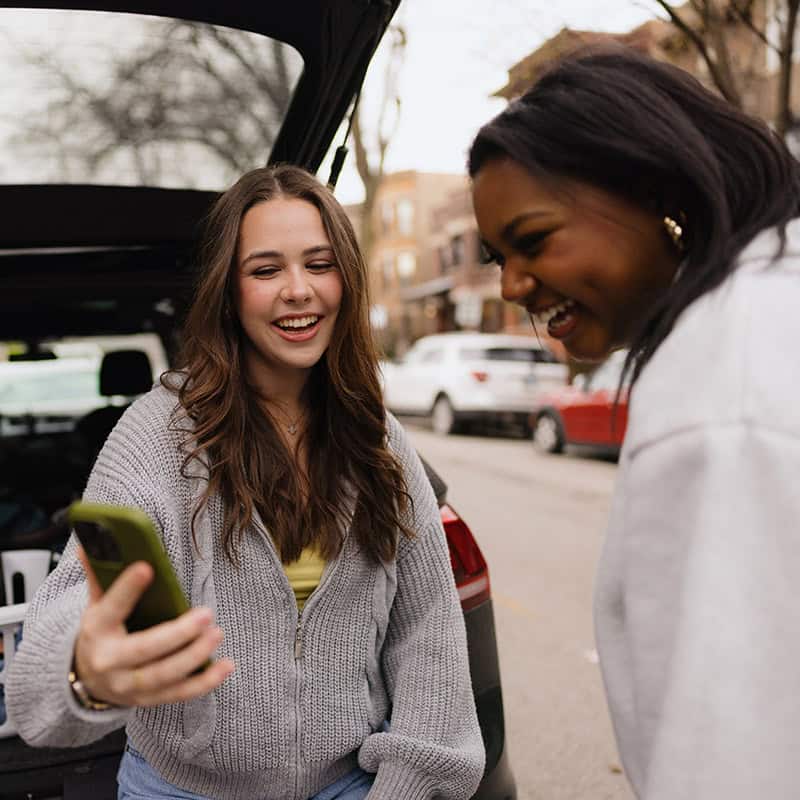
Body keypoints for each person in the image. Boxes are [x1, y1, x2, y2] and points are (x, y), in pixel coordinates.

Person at [7, 165, 485, 800]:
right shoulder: (157, 434)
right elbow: (70, 619)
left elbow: (428, 635)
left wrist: (404, 789)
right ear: (229, 292)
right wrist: (82, 670)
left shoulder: (379, 438)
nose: (298, 290)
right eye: (265, 270)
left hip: (350, 788)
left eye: (319, 263)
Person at [468, 46, 800, 799]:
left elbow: (734, 758)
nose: (514, 284)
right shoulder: (768, 308)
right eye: (496, 257)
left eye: (534, 238)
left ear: (656, 194)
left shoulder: (721, 386)